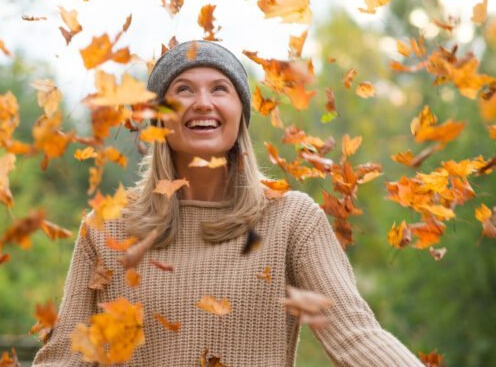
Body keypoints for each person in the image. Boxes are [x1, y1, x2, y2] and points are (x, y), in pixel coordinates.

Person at [32, 40, 423, 366]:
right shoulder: (108, 228)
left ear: (240, 113)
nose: (203, 102)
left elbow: (357, 336)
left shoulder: (290, 218)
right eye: (183, 90)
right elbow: (66, 357)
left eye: (220, 89)